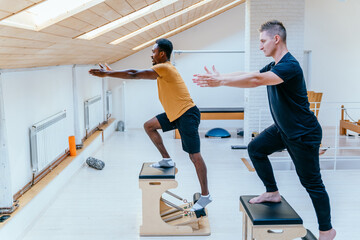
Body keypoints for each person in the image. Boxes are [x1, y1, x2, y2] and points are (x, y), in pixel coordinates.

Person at [192, 20, 336, 240]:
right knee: (256, 149)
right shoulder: (274, 66)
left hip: (303, 133)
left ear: (276, 39)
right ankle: (272, 192)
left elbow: (256, 80)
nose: (260, 46)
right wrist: (221, 77)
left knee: (311, 182)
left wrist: (220, 83)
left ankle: (327, 230)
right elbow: (249, 74)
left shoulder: (290, 65)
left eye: (262, 41)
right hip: (283, 129)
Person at [89, 38, 211, 211]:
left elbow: (134, 74)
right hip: (175, 114)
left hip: (186, 114)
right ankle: (167, 159)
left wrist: (108, 73)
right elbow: (135, 74)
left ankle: (205, 196)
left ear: (162, 54)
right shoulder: (163, 70)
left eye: (153, 51)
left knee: (194, 156)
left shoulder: (165, 67)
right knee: (149, 126)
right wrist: (112, 72)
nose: (151, 55)